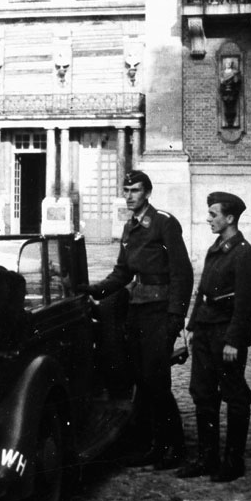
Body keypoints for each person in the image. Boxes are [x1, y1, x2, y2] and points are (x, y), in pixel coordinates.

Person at [87, 170, 193, 470]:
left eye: (134, 190)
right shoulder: (129, 227)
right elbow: (123, 273)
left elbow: (181, 273)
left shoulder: (163, 223)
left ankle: (176, 447)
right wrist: (93, 289)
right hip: (137, 312)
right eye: (126, 190)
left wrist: (176, 316)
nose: (129, 196)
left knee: (157, 381)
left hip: (160, 312)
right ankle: (156, 446)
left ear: (147, 192)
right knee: (144, 383)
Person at [179, 191, 251, 483]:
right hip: (204, 331)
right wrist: (190, 328)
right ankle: (207, 457)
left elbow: (249, 304)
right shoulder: (217, 249)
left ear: (229, 218)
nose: (208, 219)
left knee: (235, 395)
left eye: (213, 214)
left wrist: (233, 341)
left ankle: (233, 460)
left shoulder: (245, 254)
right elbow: (202, 291)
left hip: (226, 334)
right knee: (202, 393)